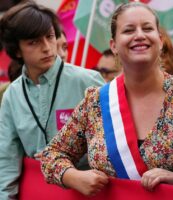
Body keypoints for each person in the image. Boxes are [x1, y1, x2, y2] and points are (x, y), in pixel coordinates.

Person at [40, 2, 173, 196]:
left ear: (160, 40)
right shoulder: (95, 102)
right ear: (114, 45)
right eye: (128, 30)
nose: (139, 35)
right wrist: (74, 177)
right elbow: (52, 155)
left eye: (147, 28)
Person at [0, 2, 104, 199]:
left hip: (84, 191)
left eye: (49, 37)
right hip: (35, 191)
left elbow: (107, 146)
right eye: (33, 42)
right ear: (17, 50)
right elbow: (6, 159)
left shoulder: (88, 81)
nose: (47, 48)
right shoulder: (12, 94)